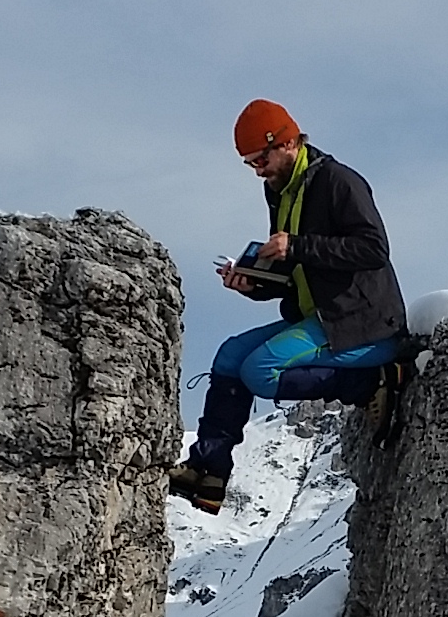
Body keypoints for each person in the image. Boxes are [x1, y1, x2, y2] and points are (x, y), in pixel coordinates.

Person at [169, 99, 409, 513]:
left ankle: (372, 380)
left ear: (288, 142)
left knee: (259, 371)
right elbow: (299, 272)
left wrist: (296, 245)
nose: (258, 170)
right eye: (250, 164)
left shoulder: (338, 181)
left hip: (362, 323)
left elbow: (373, 248)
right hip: (320, 317)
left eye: (260, 159)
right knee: (229, 357)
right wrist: (254, 285)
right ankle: (208, 471)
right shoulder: (279, 190)